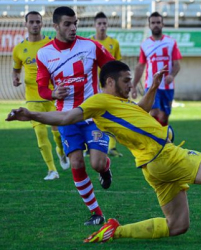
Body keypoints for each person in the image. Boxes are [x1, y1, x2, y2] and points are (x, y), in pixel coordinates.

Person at [7, 60, 201, 243]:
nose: (131, 85)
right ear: (110, 82)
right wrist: (31, 114)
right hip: (167, 156)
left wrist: (152, 87)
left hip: (153, 169)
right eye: (127, 81)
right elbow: (67, 117)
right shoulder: (99, 101)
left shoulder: (119, 103)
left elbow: (139, 111)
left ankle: (115, 231)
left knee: (177, 226)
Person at [35, 6, 115, 225]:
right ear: (56, 26)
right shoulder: (44, 53)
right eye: (67, 24)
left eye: (75, 23)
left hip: (93, 115)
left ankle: (105, 169)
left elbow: (112, 68)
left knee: (97, 163)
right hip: (67, 117)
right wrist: (52, 93)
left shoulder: (91, 46)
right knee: (77, 162)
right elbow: (42, 87)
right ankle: (96, 213)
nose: (73, 28)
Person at [12, 11, 70, 180]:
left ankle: (61, 151)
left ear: (42, 24)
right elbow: (16, 69)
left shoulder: (51, 45)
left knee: (58, 133)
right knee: (40, 134)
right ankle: (52, 170)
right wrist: (15, 77)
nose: (35, 24)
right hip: (32, 98)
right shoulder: (19, 49)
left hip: (52, 95)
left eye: (38, 21)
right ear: (26, 24)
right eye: (32, 22)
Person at [131, 11, 181, 126]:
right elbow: (140, 66)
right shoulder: (145, 44)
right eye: (153, 23)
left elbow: (177, 64)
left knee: (164, 117)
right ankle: (155, 141)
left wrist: (171, 75)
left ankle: (164, 140)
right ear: (149, 25)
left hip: (167, 86)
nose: (156, 25)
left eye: (158, 22)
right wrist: (134, 86)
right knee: (154, 112)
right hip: (151, 85)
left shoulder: (171, 42)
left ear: (162, 24)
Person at [91, 11, 123, 158]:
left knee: (112, 114)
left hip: (109, 86)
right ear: (94, 25)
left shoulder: (113, 43)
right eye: (99, 23)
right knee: (91, 116)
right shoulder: (89, 43)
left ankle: (112, 147)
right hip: (92, 85)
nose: (102, 26)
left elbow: (118, 65)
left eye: (104, 23)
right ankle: (90, 145)